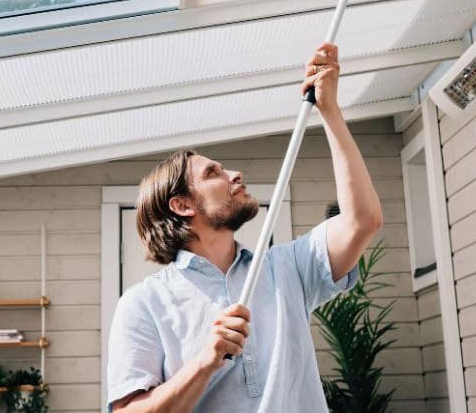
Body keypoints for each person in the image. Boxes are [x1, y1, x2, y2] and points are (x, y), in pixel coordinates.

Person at [106, 43, 384, 412]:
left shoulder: (287, 269)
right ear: (182, 205)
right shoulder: (144, 303)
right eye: (213, 173)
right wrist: (207, 360)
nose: (234, 174)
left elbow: (362, 220)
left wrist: (329, 111)